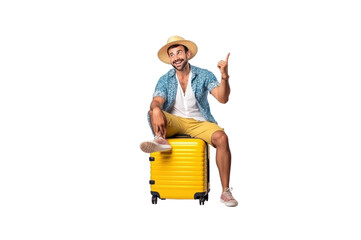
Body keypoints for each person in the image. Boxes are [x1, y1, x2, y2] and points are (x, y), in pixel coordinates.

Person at [140, 36, 238, 207]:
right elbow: (157, 101)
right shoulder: (165, 79)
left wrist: (224, 77)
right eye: (172, 55)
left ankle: (225, 191)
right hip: (174, 122)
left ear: (188, 53)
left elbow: (223, 98)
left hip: (199, 123)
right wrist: (155, 109)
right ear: (169, 59)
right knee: (152, 111)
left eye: (179, 52)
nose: (176, 57)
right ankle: (160, 139)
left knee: (222, 138)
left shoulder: (204, 75)